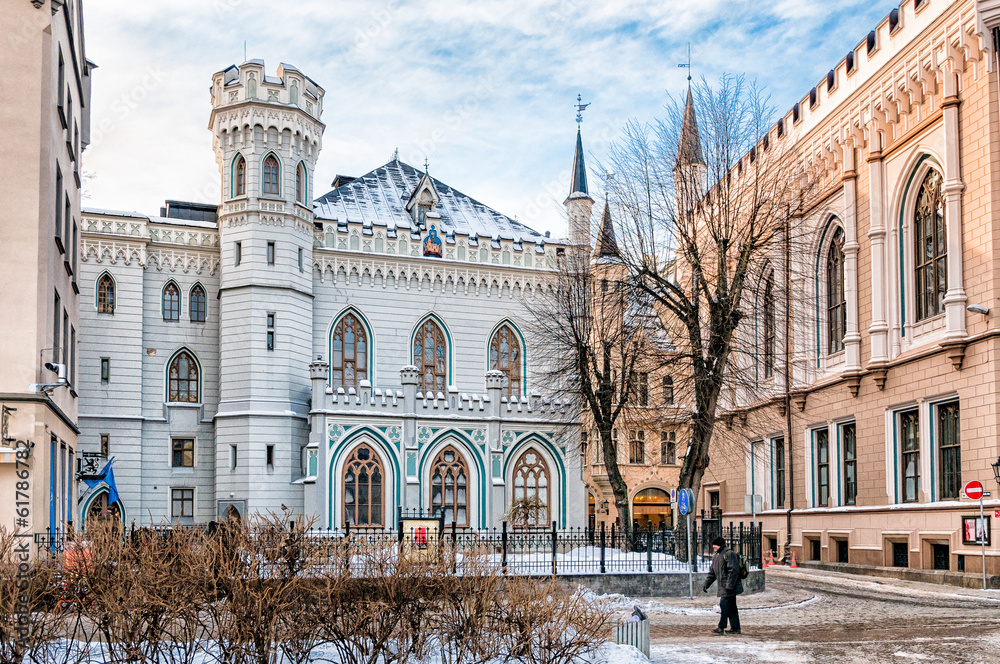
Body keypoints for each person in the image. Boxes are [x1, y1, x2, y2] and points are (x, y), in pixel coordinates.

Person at [703, 535, 743, 634]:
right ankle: (735, 628)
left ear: (720, 545)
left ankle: (721, 627)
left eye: (715, 545)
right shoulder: (716, 556)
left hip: (729, 587)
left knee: (724, 606)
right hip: (724, 586)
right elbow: (712, 573)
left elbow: (733, 570)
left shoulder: (729, 554)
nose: (714, 547)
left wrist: (729, 585)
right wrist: (706, 584)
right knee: (732, 607)